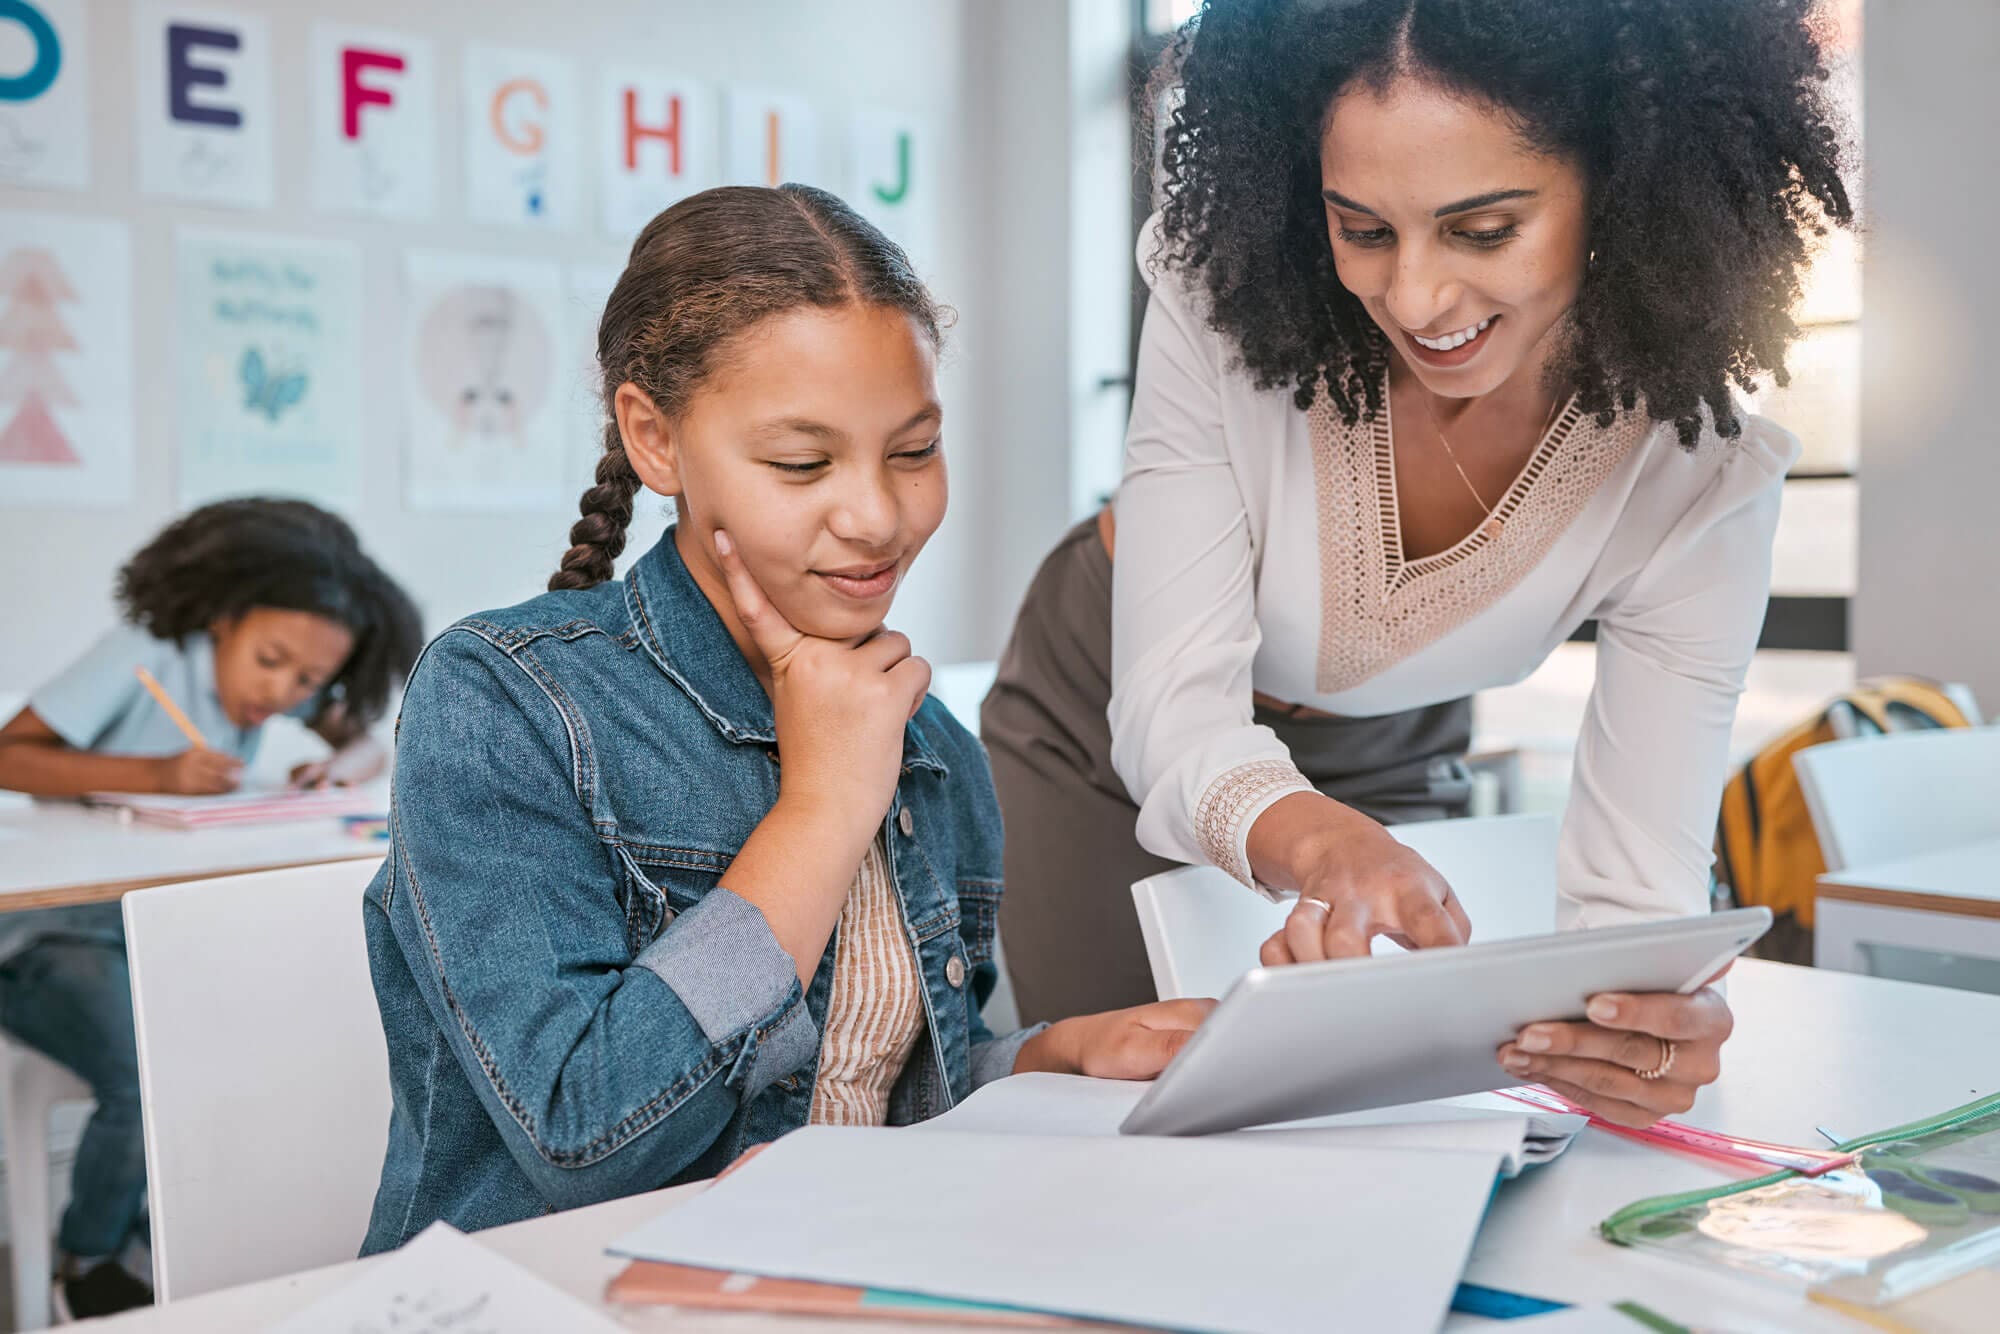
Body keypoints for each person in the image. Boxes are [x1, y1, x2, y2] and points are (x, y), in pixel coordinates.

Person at [984, 0, 1852, 1128]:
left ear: (1621, 187)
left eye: (1482, 230)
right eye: (1362, 228)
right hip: (1103, 698)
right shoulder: (1223, 296)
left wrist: (1640, 1030)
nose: (1415, 298)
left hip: (1392, 733)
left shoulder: (1697, 476)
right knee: (1125, 1109)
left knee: (1380, 1119)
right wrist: (1327, 841)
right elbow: (1171, 711)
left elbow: (1630, 897)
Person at [361, 185, 1211, 1253]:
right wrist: (820, 808)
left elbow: (867, 1089)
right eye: (801, 462)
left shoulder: (934, 744)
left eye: (912, 450)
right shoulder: (506, 699)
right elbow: (579, 1133)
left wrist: (1042, 1059)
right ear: (653, 438)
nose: (876, 516)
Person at [0, 497, 422, 1318]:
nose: (283, 692)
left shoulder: (277, 677)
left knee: (251, 1027)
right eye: (270, 662)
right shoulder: (147, 652)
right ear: (224, 622)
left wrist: (345, 764)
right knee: (140, 1071)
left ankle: (163, 1228)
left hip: (143, 924)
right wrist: (158, 777)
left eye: (308, 680)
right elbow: (8, 754)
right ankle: (84, 1267)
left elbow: (364, 735)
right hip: (45, 934)